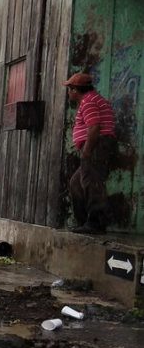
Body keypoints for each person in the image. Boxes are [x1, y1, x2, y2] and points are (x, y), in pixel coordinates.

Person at [65, 72, 117, 234]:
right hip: (97, 145)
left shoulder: (88, 101)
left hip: (96, 145)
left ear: (75, 90)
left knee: (92, 183)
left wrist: (86, 151)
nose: (68, 92)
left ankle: (96, 223)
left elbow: (94, 128)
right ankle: (84, 222)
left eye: (69, 89)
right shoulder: (94, 99)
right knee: (76, 183)